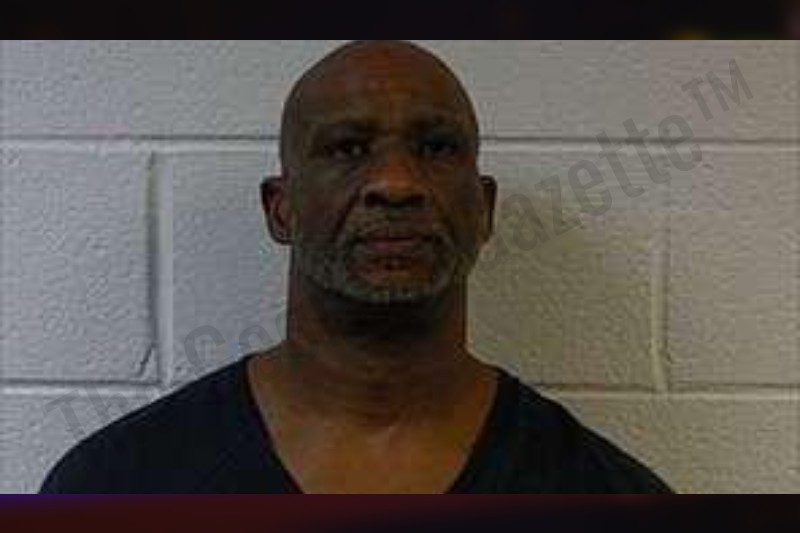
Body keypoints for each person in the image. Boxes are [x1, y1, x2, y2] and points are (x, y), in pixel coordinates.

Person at [40, 40, 672, 493]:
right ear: (281, 209)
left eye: (435, 148)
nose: (396, 183)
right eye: (347, 148)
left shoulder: (605, 489)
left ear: (483, 208)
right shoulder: (115, 484)